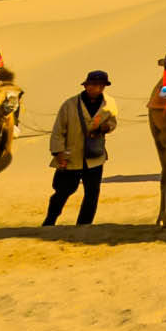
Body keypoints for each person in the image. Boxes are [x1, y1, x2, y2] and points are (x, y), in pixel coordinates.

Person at [44, 70, 116, 225]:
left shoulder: (109, 103)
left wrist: (106, 127)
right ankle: (49, 221)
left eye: (101, 85)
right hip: (71, 157)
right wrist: (58, 152)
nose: (97, 88)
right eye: (94, 85)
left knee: (92, 194)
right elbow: (58, 131)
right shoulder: (69, 105)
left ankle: (84, 225)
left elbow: (113, 121)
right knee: (63, 192)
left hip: (95, 156)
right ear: (86, 85)